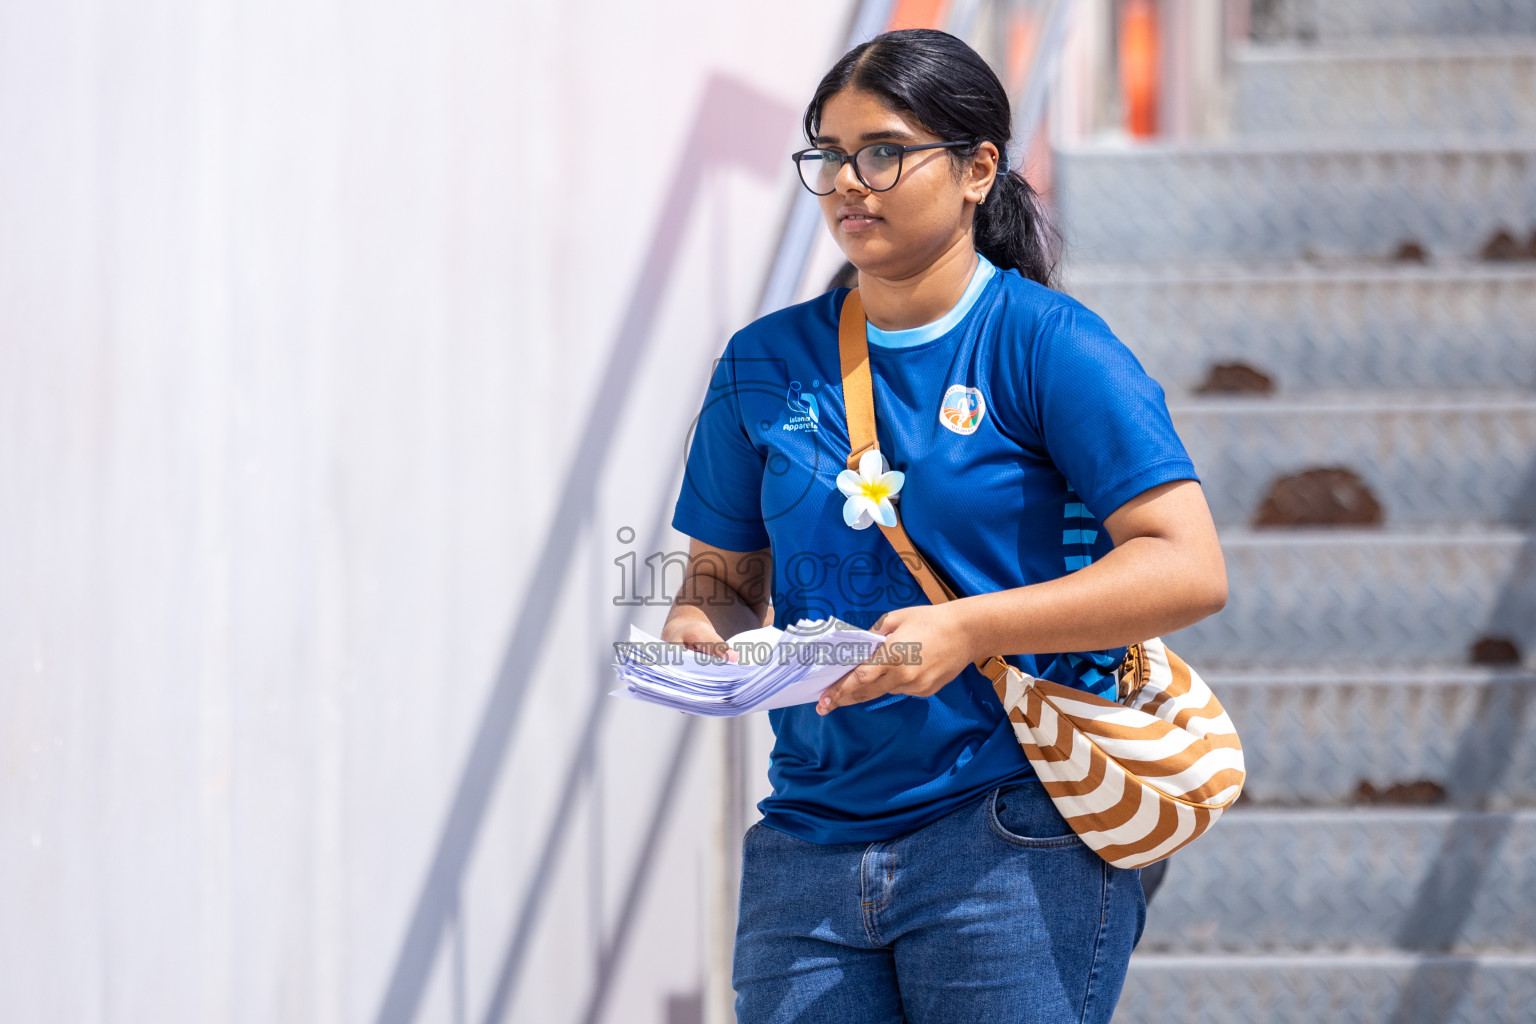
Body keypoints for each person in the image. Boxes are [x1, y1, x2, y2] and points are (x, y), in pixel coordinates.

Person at [661, 28, 1227, 1024]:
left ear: (976, 169)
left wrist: (969, 629)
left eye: (882, 152)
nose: (848, 182)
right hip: (807, 842)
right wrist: (706, 642)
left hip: (1013, 830)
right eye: (827, 156)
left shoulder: (1048, 344)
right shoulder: (762, 362)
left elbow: (1187, 566)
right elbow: (718, 582)